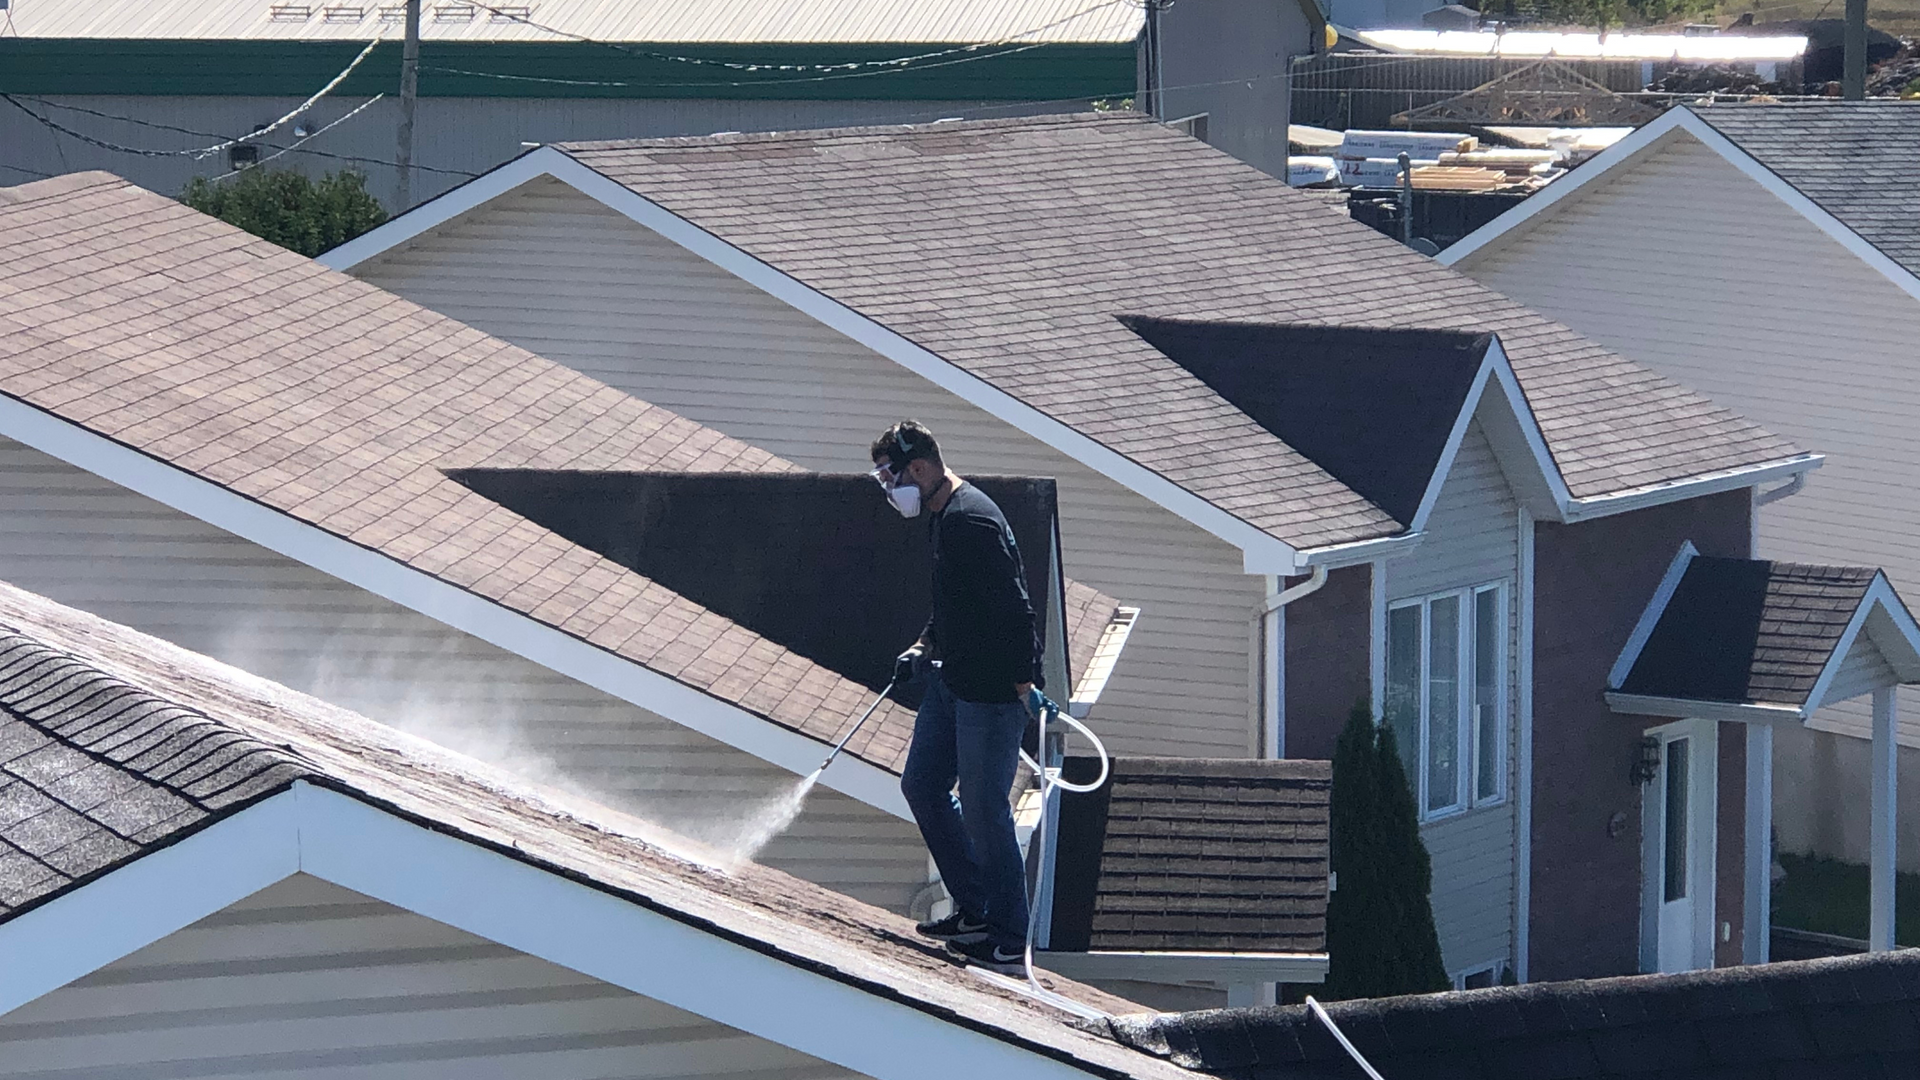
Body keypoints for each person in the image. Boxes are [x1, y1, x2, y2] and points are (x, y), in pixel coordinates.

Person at [870, 420, 1043, 975]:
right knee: (921, 783)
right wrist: (925, 643)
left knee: (985, 812)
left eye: (889, 477)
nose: (888, 489)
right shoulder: (944, 515)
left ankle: (1010, 939)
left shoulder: (972, 520)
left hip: (991, 693)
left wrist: (1024, 687)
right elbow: (954, 601)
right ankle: (973, 911)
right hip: (953, 681)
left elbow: (1014, 611)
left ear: (918, 469)